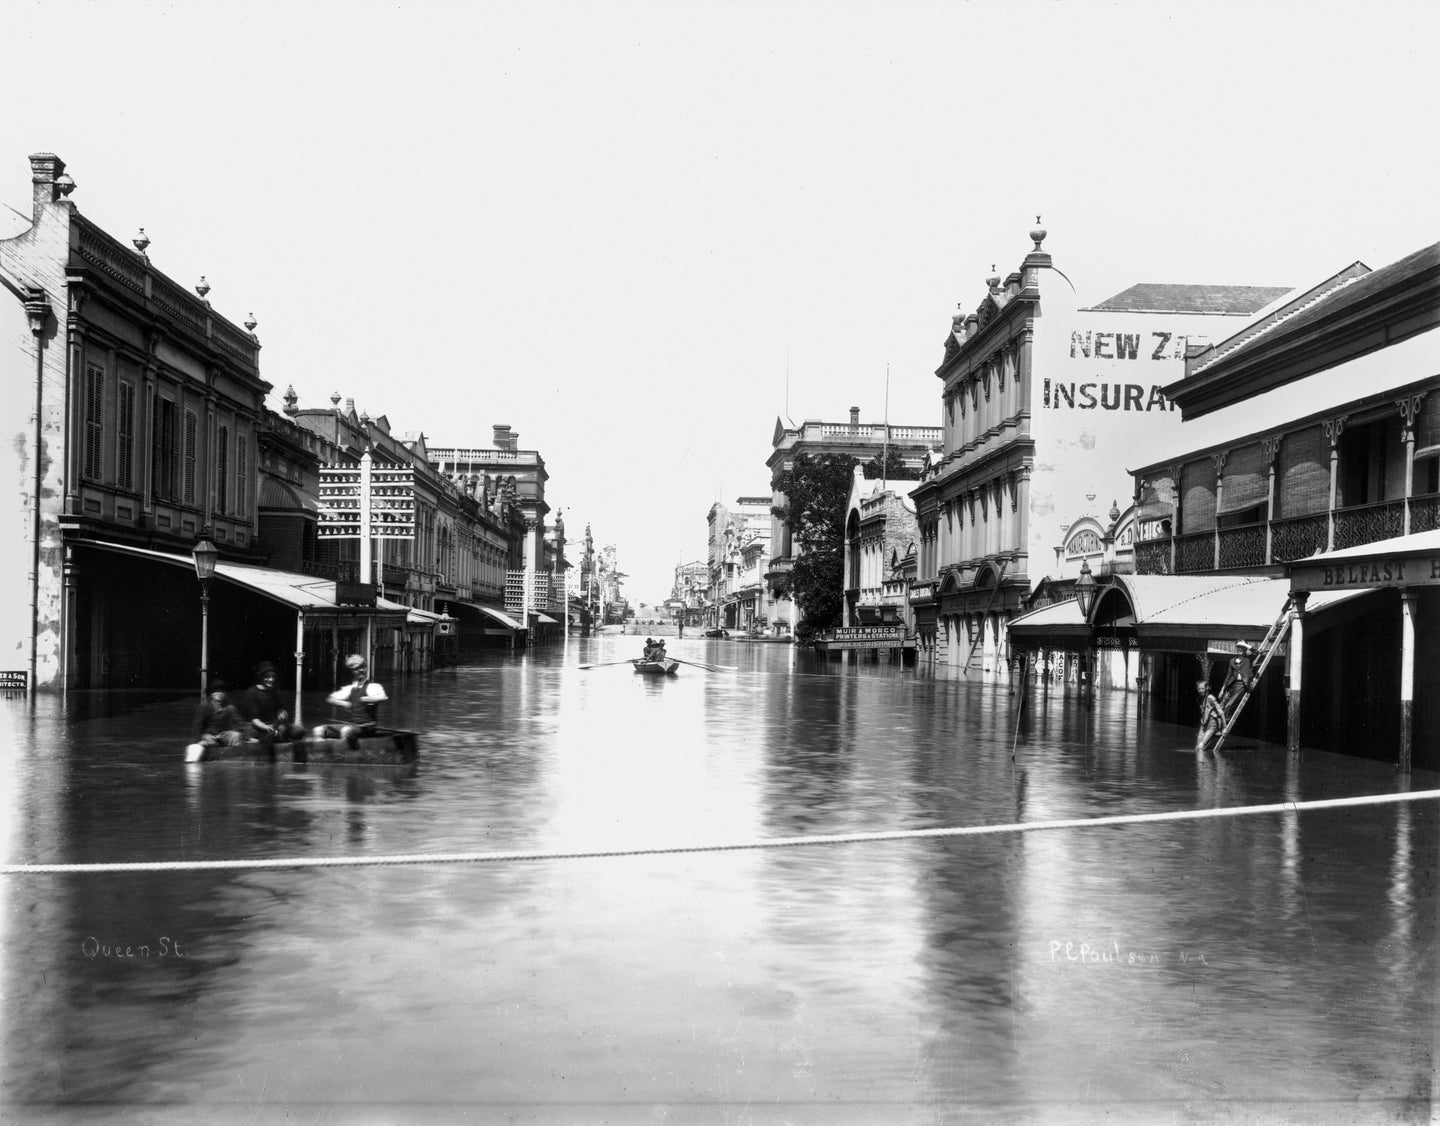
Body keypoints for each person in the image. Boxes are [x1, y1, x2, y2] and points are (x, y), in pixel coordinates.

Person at [314, 654, 388, 744]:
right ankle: (322, 751)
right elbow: (330, 699)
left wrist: (367, 699)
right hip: (353, 726)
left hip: (367, 727)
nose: (361, 670)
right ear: (352, 671)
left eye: (363, 667)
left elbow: (383, 697)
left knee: (346, 731)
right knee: (318, 730)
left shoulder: (373, 686)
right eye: (357, 669)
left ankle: (343, 754)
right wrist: (343, 703)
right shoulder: (349, 689)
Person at [236, 661, 304, 753]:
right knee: (270, 735)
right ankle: (264, 740)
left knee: (299, 730)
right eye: (267, 677)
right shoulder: (252, 693)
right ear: (261, 677)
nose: (271, 679)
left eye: (272, 677)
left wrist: (282, 713)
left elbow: (280, 709)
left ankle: (272, 737)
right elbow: (254, 719)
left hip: (272, 726)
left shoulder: (274, 692)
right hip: (257, 728)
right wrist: (266, 728)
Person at [188, 679, 246, 757]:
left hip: (223, 735)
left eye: (221, 691)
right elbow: (197, 725)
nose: (219, 693)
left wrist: (244, 736)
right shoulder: (205, 705)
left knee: (236, 736)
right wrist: (199, 739)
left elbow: (240, 723)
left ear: (225, 693)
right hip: (207, 735)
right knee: (203, 746)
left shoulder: (230, 707)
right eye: (215, 691)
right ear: (211, 693)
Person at [1220, 640, 1256, 713]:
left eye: (1242, 647)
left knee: (1228, 706)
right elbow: (1228, 676)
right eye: (1238, 647)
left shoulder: (1248, 659)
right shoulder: (1232, 661)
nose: (1240, 649)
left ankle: (1225, 723)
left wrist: (1244, 644)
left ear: (1245, 648)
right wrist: (1222, 690)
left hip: (1242, 685)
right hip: (1232, 685)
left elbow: (1256, 651)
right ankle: (1218, 723)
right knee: (1221, 705)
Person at [1196, 679, 1223, 753]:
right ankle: (1203, 764)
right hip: (1204, 725)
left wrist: (1225, 727)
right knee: (1197, 747)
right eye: (1199, 689)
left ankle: (1203, 764)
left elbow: (1221, 712)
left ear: (1206, 689)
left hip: (1211, 725)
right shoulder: (1200, 699)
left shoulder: (1210, 697)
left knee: (1200, 747)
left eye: (1202, 689)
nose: (1200, 690)